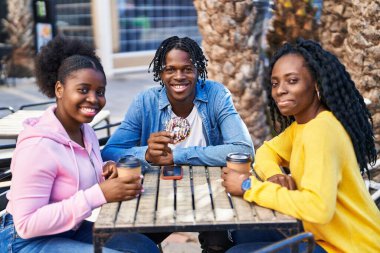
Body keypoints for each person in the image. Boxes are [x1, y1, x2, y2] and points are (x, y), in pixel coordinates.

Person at [0, 36, 159, 253]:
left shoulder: (86, 132)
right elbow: (26, 225)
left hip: (68, 228)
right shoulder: (38, 147)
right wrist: (99, 194)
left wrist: (105, 172)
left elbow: (72, 180)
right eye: (83, 90)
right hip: (22, 241)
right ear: (59, 89)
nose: (94, 99)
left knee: (144, 247)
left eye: (100, 91)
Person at [222, 39, 380, 253]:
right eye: (275, 83)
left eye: (292, 81)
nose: (280, 91)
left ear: (315, 84)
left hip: (351, 247)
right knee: (240, 231)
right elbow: (266, 151)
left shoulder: (322, 130)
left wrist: (248, 187)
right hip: (320, 234)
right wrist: (273, 175)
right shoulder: (303, 126)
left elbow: (318, 208)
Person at [102, 36, 254, 252]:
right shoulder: (146, 101)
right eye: (170, 69)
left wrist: (177, 155)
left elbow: (243, 150)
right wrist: (147, 155)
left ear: (198, 70)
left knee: (218, 245)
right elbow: (110, 152)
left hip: (213, 196)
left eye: (187, 69)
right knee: (135, 240)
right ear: (161, 72)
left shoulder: (216, 94)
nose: (179, 76)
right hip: (155, 198)